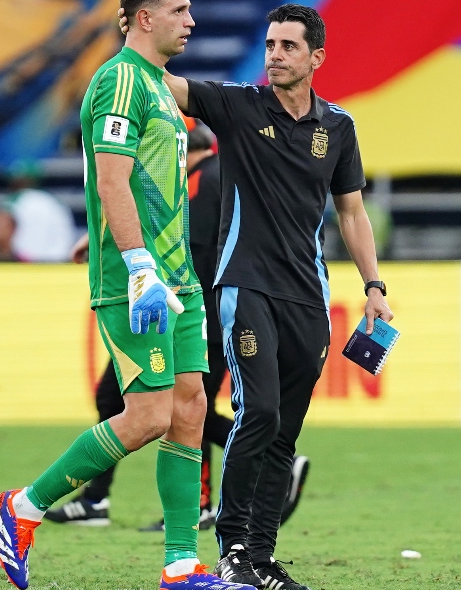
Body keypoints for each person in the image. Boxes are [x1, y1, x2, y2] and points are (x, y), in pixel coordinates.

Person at [0, 0, 255, 590]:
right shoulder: (119, 78)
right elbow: (111, 179)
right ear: (142, 18)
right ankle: (23, 507)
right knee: (147, 416)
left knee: (190, 407)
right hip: (138, 278)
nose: (191, 20)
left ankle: (182, 563)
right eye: (179, 10)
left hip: (181, 276)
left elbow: (149, 181)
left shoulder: (162, 88)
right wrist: (136, 265)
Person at [124, 3, 393, 589]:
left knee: (285, 430)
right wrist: (139, 33)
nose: (274, 55)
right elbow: (158, 82)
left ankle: (262, 558)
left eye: (287, 46)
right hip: (245, 286)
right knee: (260, 413)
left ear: (316, 57)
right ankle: (234, 548)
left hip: (308, 295)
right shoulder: (240, 106)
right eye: (269, 44)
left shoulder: (338, 128)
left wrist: (373, 286)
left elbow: (351, 213)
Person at [47, 120, 312, 533]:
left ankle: (240, 477)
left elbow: (190, 252)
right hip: (210, 310)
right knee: (162, 404)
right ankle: (100, 499)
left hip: (193, 312)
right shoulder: (213, 177)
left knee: (182, 407)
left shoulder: (203, 181)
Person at [0, 160, 76, 262]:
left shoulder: (15, 200)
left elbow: (0, 231)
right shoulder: (56, 202)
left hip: (25, 265)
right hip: (60, 265)